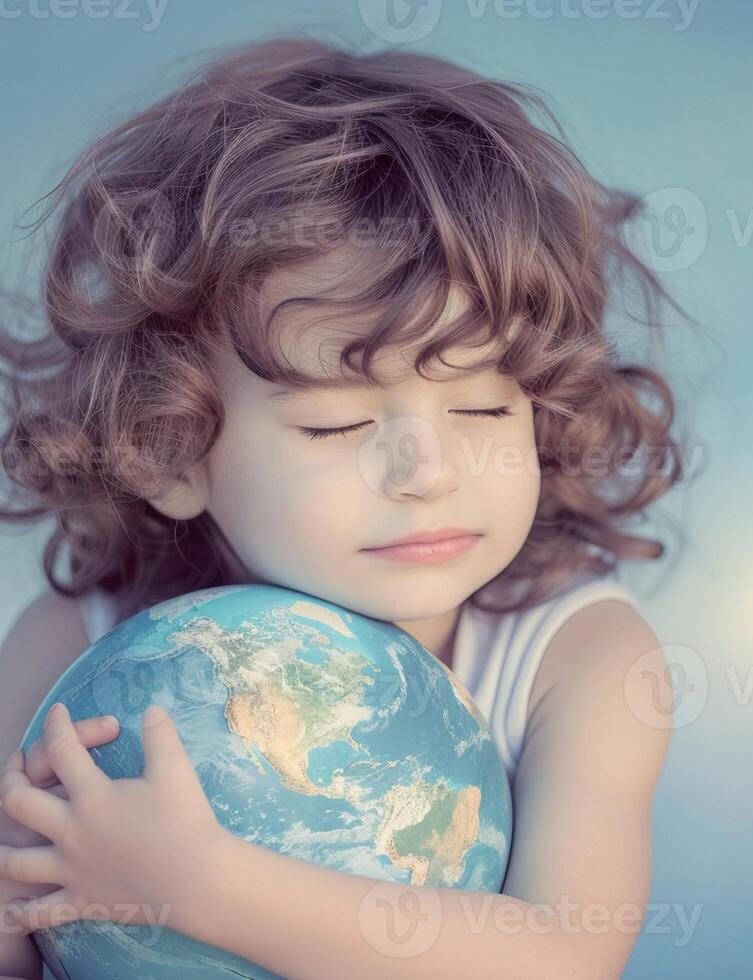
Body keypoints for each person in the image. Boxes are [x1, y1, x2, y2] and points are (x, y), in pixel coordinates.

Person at [0, 34, 698, 980]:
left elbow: (565, 956)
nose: (427, 470)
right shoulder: (73, 648)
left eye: (484, 405)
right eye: (333, 426)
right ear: (168, 447)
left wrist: (204, 886)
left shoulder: (580, 659)